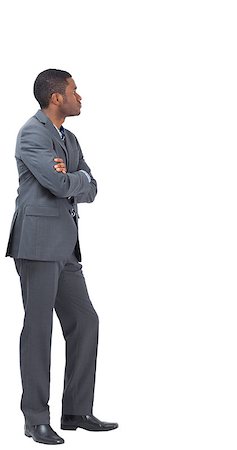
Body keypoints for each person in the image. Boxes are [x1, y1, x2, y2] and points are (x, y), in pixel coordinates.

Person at [5, 69, 118, 445]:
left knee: (85, 321)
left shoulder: (68, 139)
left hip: (66, 245)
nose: (79, 97)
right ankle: (35, 418)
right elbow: (58, 184)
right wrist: (73, 179)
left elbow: (90, 185)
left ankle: (76, 410)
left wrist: (75, 177)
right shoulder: (33, 134)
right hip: (37, 244)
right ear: (57, 98)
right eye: (73, 90)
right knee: (38, 330)